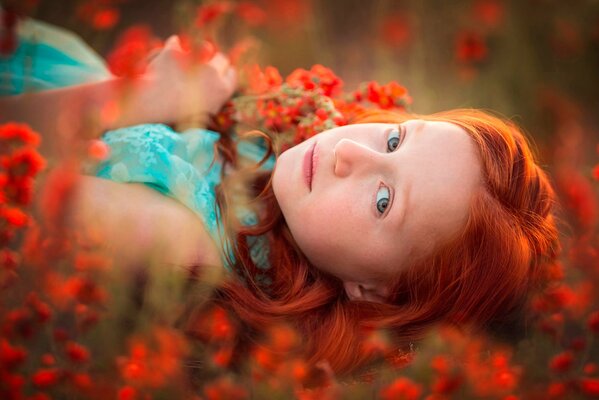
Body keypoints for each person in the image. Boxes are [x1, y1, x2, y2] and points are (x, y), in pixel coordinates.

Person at [1, 13, 560, 378]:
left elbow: (12, 173)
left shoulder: (183, 245)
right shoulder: (272, 196)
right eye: (394, 138)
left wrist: (140, 95)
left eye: (384, 200)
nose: (351, 154)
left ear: (371, 293)